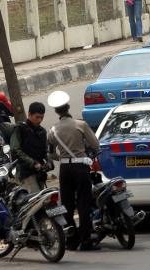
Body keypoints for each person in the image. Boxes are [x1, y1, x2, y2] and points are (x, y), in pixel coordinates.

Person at [47, 91, 101, 251]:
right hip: (81, 168)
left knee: (67, 205)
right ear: (68, 107)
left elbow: (50, 153)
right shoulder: (80, 125)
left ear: (56, 111)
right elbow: (95, 145)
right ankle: (85, 241)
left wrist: (62, 158)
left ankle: (70, 241)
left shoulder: (52, 130)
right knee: (83, 204)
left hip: (65, 169)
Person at [10, 102, 49, 193]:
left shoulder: (42, 131)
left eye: (41, 117)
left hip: (39, 172)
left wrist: (48, 161)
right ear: (29, 114)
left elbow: (45, 150)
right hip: (25, 172)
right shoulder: (20, 129)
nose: (39, 120)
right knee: (34, 200)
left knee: (43, 199)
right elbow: (15, 149)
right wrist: (32, 162)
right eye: (37, 117)